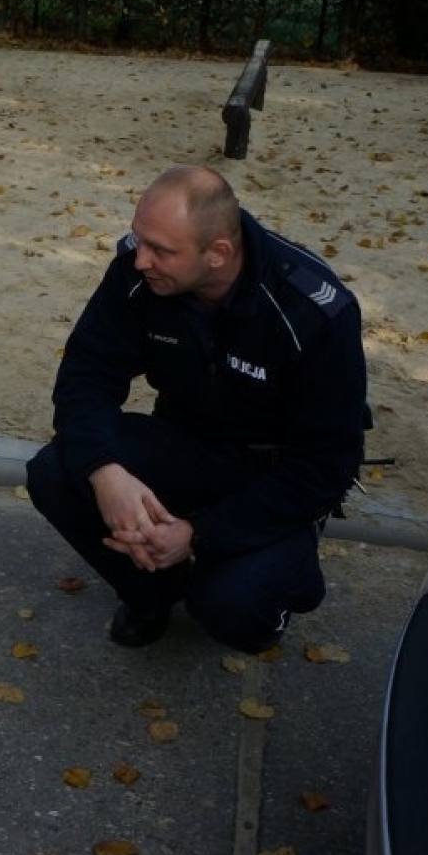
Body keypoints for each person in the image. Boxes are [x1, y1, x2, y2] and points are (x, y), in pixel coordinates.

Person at [25, 165, 369, 654]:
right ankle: (152, 593)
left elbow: (326, 467)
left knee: (235, 606)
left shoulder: (312, 311)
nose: (141, 259)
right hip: (183, 443)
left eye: (160, 250)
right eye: (138, 239)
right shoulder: (139, 274)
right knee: (57, 470)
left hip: (274, 477)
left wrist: (198, 535)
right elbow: (86, 376)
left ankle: (271, 577)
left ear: (218, 254)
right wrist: (107, 473)